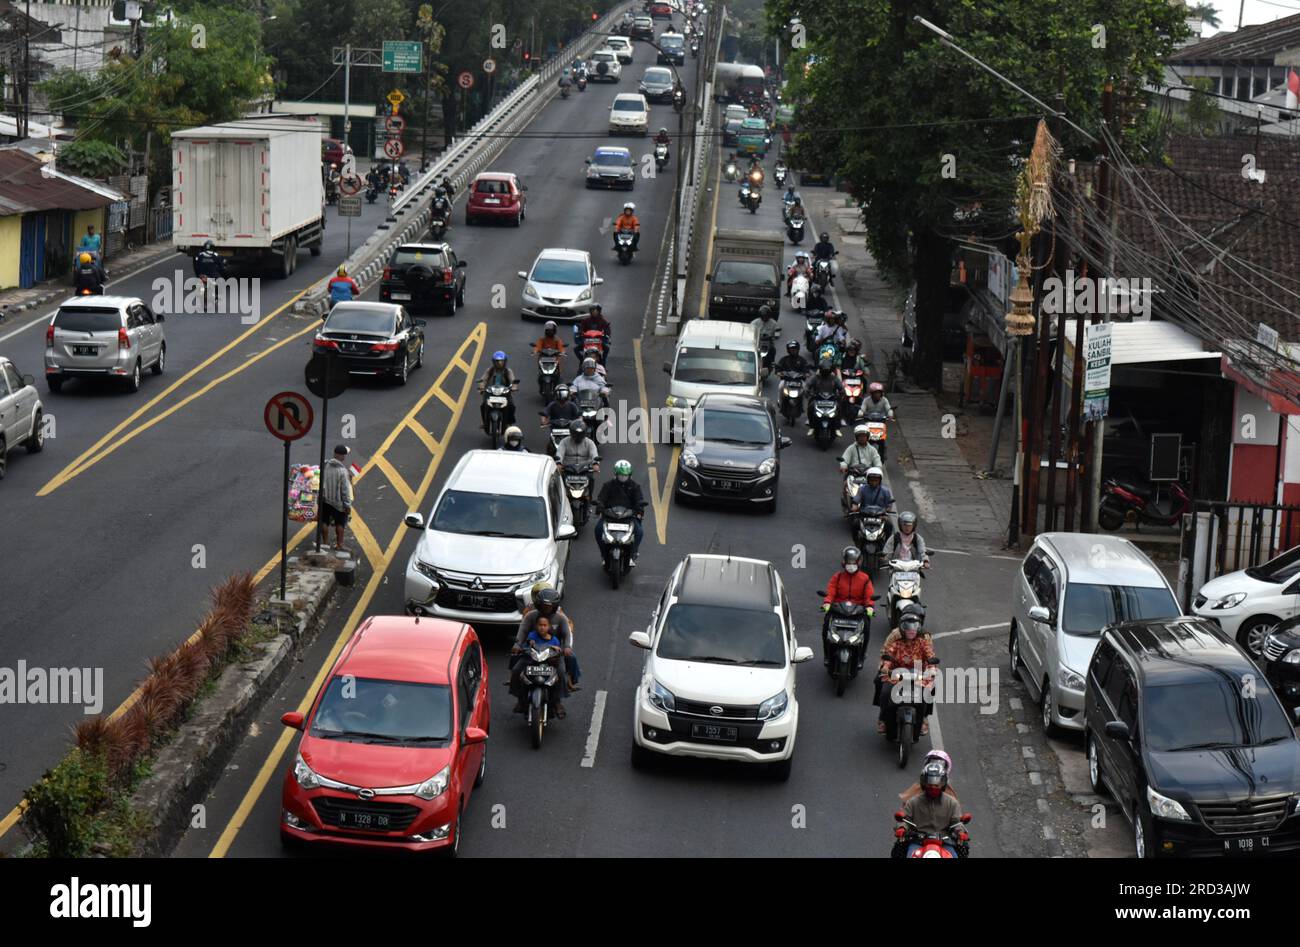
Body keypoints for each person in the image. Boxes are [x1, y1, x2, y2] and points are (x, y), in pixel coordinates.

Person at [879, 610, 938, 735]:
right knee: (885, 693)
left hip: (918, 675)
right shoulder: (896, 642)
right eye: (908, 627)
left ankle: (923, 719)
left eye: (914, 627)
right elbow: (888, 655)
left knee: (929, 690)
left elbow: (930, 655)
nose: (911, 630)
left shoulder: (923, 642)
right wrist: (886, 667)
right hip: (896, 675)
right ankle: (883, 720)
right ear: (902, 628)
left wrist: (932, 667)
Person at [514, 587, 581, 693]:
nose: (546, 608)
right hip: (533, 651)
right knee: (516, 670)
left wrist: (567, 647)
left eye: (549, 606)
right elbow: (522, 631)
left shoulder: (561, 618)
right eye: (544, 605)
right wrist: (517, 645)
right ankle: (520, 700)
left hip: (554, 653)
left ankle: (559, 701)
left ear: (554, 606)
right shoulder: (530, 615)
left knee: (562, 671)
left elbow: (567, 634)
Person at [895, 760, 964, 858]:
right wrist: (902, 828)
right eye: (930, 785)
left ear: (943, 784)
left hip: (944, 842)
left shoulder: (952, 803)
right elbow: (905, 820)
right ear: (924, 784)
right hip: (918, 841)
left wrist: (960, 832)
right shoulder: (913, 802)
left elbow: (957, 822)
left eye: (936, 785)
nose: (933, 787)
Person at [821, 546, 875, 667]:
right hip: (838, 609)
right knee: (826, 627)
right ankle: (827, 654)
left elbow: (869, 595)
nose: (851, 565)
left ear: (858, 562)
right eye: (848, 562)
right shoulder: (837, 577)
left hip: (858, 611)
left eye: (853, 562)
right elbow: (831, 591)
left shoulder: (865, 579)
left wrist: (870, 606)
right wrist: (827, 603)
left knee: (866, 627)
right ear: (844, 562)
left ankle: (861, 655)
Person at [510, 613, 570, 718]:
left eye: (544, 625)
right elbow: (527, 640)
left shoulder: (554, 638)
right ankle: (520, 700)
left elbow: (561, 645)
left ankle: (557, 702)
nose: (542, 627)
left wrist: (561, 649)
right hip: (531, 660)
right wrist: (521, 646)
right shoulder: (532, 634)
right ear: (536, 626)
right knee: (516, 671)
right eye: (540, 625)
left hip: (548, 662)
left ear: (549, 627)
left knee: (561, 673)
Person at [595, 459, 647, 567]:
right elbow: (601, 498)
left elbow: (639, 500)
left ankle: (632, 554)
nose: (623, 477)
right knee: (598, 530)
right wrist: (599, 507)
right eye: (620, 475)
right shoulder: (608, 485)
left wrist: (640, 510)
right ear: (616, 474)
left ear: (629, 475)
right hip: (609, 517)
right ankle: (604, 555)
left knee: (639, 532)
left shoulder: (635, 487)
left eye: (625, 475)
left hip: (629, 517)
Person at [320, 445, 355, 552]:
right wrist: (347, 505)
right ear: (342, 456)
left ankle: (325, 543)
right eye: (344, 455)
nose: (345, 457)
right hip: (338, 502)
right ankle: (339, 544)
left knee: (324, 521)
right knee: (340, 523)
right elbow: (344, 491)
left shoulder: (325, 464)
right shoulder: (342, 471)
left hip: (325, 499)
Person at [477, 351, 519, 429]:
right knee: (483, 405)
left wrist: (513, 387)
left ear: (505, 361)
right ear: (493, 362)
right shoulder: (490, 370)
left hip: (504, 393)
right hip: (491, 392)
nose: (499, 363)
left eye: (501, 361)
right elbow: (483, 379)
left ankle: (509, 422)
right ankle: (484, 422)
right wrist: (481, 387)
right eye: (497, 361)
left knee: (511, 405)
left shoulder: (508, 371)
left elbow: (512, 380)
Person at [806, 358, 845, 434]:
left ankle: (837, 427)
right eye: (824, 370)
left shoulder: (834, 378)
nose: (825, 372)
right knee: (810, 406)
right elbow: (808, 385)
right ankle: (811, 426)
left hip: (832, 399)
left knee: (839, 407)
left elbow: (840, 387)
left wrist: (842, 392)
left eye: (827, 370)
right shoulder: (816, 377)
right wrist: (807, 391)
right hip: (817, 399)